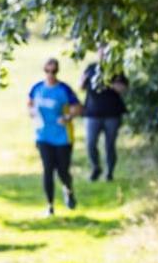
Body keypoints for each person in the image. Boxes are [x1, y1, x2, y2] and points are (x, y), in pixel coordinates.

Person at [28, 57, 82, 215]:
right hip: (43, 136)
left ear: (57, 71)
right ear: (44, 70)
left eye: (54, 71)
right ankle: (50, 205)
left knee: (62, 171)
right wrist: (32, 113)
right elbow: (29, 104)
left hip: (62, 137)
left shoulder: (64, 90)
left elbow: (78, 108)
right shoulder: (37, 88)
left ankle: (68, 190)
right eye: (47, 71)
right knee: (47, 170)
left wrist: (66, 117)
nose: (50, 74)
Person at [80, 46, 128, 181]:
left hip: (112, 113)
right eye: (101, 52)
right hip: (92, 113)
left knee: (110, 145)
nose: (103, 55)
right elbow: (81, 86)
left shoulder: (116, 70)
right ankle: (96, 167)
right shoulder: (90, 68)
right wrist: (83, 81)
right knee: (90, 143)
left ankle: (110, 172)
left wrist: (109, 82)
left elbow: (123, 88)